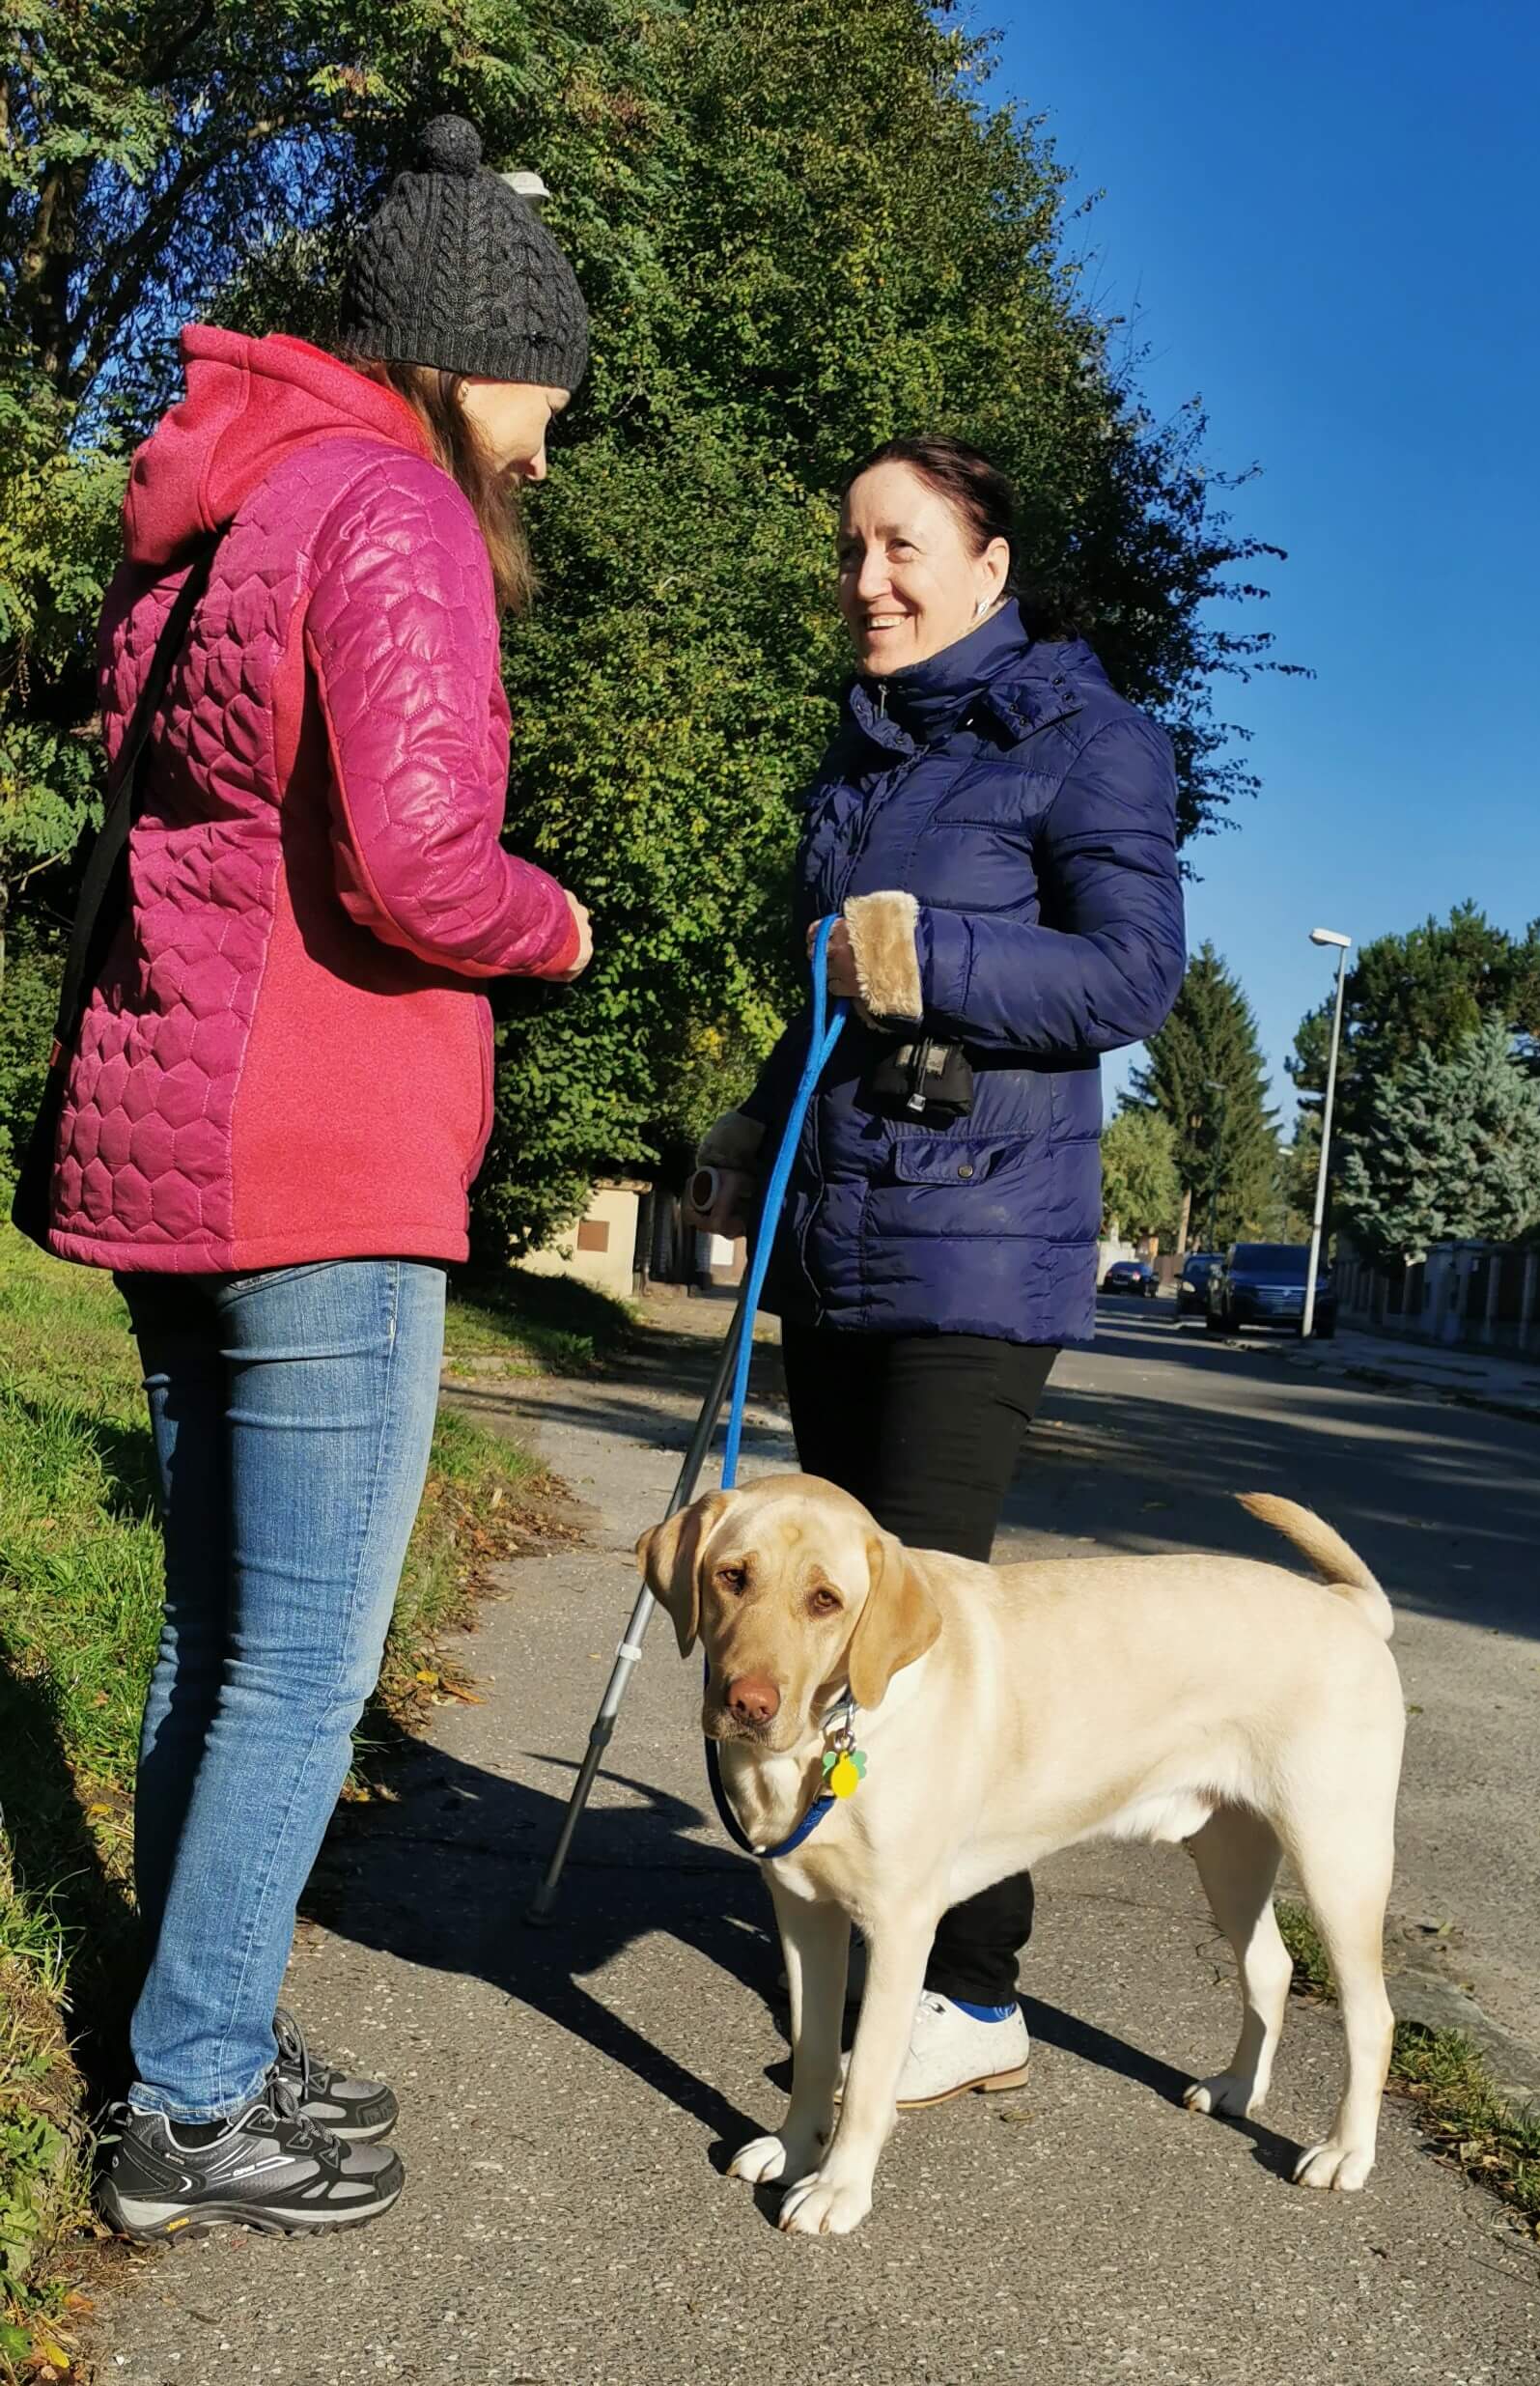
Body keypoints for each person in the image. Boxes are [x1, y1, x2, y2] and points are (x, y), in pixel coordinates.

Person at [42, 115, 593, 2237]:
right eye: (545, 383)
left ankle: (204, 2022)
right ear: (471, 352)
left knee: (216, 1637)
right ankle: (184, 2107)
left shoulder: (230, 499)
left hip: (173, 1137)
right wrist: (556, 925)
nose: (548, 440)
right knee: (301, 1667)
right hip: (319, 1158)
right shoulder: (396, 512)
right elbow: (421, 866)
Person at [691, 435, 1187, 2105]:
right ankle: (857, 1903)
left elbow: (1130, 977)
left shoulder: (1086, 742)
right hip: (842, 1238)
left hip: (977, 1251)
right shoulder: (870, 753)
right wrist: (756, 1124)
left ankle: (971, 1991)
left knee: (922, 1636)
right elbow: (837, 996)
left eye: (900, 549)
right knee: (810, 1615)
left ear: (988, 567)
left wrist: (933, 955)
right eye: (850, 550)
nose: (866, 582)